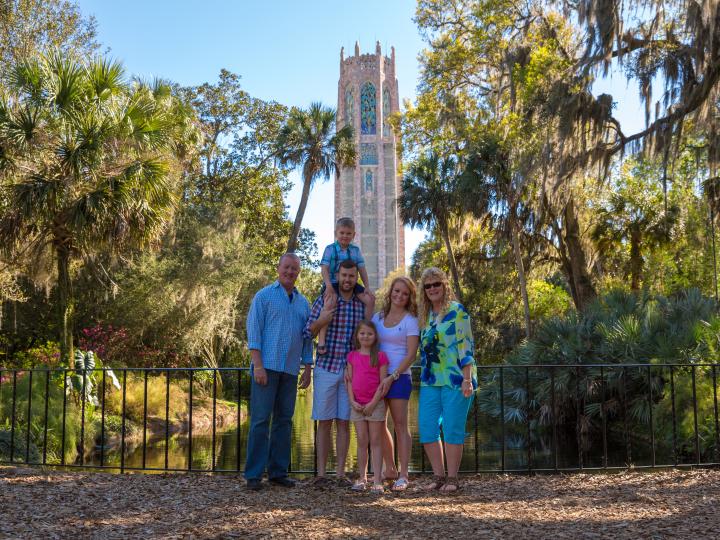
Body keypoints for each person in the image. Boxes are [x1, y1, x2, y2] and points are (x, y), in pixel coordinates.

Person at [244, 253, 313, 491]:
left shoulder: (303, 303)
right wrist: (258, 365)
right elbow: (254, 333)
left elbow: (307, 339)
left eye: (295, 269)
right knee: (261, 421)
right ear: (278, 268)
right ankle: (253, 475)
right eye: (287, 267)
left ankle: (277, 472)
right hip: (267, 368)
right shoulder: (263, 296)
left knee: (284, 421)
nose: (290, 272)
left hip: (290, 370)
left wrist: (307, 368)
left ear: (298, 272)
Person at [304, 259, 374, 484]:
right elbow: (308, 332)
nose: (347, 280)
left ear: (357, 278)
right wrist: (322, 320)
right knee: (324, 422)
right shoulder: (327, 299)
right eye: (344, 275)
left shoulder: (360, 304)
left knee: (344, 422)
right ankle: (322, 474)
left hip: (349, 372)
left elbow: (368, 334)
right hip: (325, 368)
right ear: (338, 275)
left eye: (352, 276)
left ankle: (341, 474)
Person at [417, 267, 477, 493]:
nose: (432, 289)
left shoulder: (457, 311)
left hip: (455, 379)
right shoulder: (425, 316)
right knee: (427, 427)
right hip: (430, 379)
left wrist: (467, 379)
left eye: (436, 284)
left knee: (452, 428)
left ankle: (452, 478)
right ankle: (439, 476)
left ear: (444, 285)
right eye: (428, 286)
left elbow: (466, 346)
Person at [373, 276, 419, 492]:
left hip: (400, 377)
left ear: (409, 297)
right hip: (378, 377)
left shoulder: (411, 320)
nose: (399, 296)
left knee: (401, 425)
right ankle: (389, 469)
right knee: (379, 424)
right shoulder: (377, 318)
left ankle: (403, 475)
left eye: (405, 293)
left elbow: (411, 354)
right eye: (397, 291)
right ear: (390, 291)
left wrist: (393, 376)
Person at [316, 217, 373, 356]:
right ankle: (321, 339)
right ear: (336, 233)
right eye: (342, 233)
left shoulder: (355, 250)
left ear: (354, 235)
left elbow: (362, 269)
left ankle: (365, 333)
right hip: (333, 283)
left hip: (351, 283)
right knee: (330, 304)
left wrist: (367, 287)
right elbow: (324, 268)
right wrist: (328, 285)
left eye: (348, 233)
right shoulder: (330, 249)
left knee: (370, 300)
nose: (345, 236)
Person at [345, 320, 389, 493]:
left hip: (375, 404)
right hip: (357, 405)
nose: (365, 336)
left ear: (375, 336)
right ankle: (362, 478)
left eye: (369, 333)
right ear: (357, 336)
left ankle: (377, 480)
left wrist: (372, 403)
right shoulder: (352, 356)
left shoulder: (380, 356)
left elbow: (383, 384)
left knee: (376, 442)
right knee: (362, 441)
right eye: (362, 333)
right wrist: (352, 401)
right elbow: (348, 381)